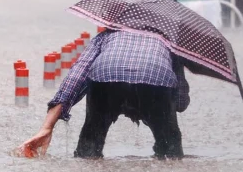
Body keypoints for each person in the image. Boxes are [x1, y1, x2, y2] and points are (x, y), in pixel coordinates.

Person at [20, 29, 190, 159]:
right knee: (171, 151)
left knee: (88, 152)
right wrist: (166, 113)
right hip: (155, 82)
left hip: (105, 81)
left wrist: (47, 126)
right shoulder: (170, 42)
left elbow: (76, 76)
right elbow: (181, 101)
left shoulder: (106, 35)